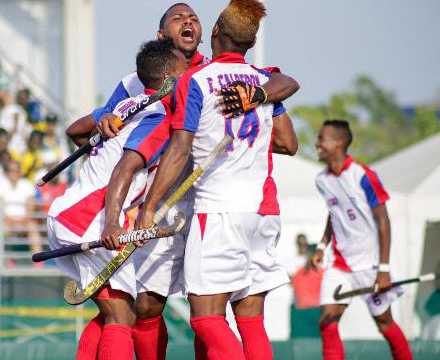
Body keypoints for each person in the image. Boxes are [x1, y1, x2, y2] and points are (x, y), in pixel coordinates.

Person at [136, 1, 299, 359]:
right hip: (264, 212)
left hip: (219, 212)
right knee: (250, 319)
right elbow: (289, 143)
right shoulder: (262, 80)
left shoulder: (196, 81)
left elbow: (179, 150)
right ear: (251, 43)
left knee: (206, 320)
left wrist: (149, 208)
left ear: (214, 32)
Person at [48, 38, 186, 360]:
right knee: (123, 316)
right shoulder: (160, 116)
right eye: (184, 73)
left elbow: (75, 131)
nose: (188, 79)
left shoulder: (127, 105)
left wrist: (101, 133)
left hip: (73, 212)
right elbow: (123, 170)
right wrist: (112, 221)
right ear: (168, 81)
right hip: (88, 218)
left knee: (111, 311)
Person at [311, 120, 412, 360]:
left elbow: (384, 221)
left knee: (384, 322)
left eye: (321, 139)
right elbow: (334, 213)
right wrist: (322, 245)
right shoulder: (322, 180)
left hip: (371, 266)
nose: (316, 144)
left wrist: (384, 270)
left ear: (339, 142)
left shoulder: (363, 176)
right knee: (327, 323)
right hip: (339, 266)